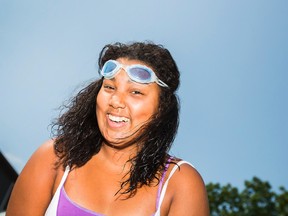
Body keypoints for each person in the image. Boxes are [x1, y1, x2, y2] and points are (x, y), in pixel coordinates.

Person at [7, 41, 209, 216]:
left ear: (161, 109)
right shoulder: (55, 157)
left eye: (136, 92)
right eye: (110, 88)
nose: (116, 101)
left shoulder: (180, 183)